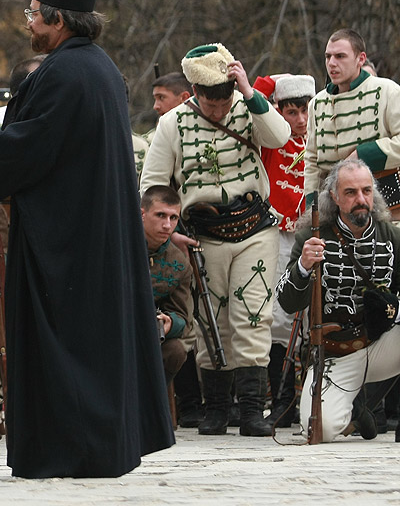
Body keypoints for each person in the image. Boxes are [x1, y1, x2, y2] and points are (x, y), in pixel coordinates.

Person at [0, 0, 173, 478]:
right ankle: (100, 448)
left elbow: (28, 149)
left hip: (67, 242)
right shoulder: (100, 67)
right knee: (94, 347)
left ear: (58, 18)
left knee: (66, 347)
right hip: (94, 234)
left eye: (33, 13)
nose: (28, 23)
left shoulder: (63, 73)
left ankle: (67, 451)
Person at [141, 42, 291, 437]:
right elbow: (154, 184)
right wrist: (171, 230)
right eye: (211, 103)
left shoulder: (246, 106)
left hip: (254, 227)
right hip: (202, 233)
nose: (219, 109)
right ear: (195, 92)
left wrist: (250, 92)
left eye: (224, 99)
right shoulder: (172, 124)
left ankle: (254, 409)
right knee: (213, 321)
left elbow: (279, 137)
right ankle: (218, 409)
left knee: (253, 315)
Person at [276, 159, 400, 440]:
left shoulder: (391, 237)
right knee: (319, 430)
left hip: (381, 345)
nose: (360, 200)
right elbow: (286, 302)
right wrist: (303, 268)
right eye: (350, 192)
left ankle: (366, 402)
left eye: (366, 191)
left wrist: (393, 309)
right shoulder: (311, 236)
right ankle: (356, 413)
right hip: (336, 352)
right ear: (334, 197)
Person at [259, 74, 315, 427]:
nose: (299, 120)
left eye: (305, 111)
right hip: (277, 234)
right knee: (280, 316)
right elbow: (257, 95)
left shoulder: (320, 139)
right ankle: (281, 400)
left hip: (312, 234)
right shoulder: (271, 138)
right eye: (291, 112)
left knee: (311, 319)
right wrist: (279, 82)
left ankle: (310, 395)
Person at [304, 29, 400, 196]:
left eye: (340, 56)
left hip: (383, 201)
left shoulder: (388, 90)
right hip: (332, 203)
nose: (332, 63)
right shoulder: (317, 104)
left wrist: (362, 155)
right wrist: (312, 206)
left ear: (360, 59)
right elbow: (312, 161)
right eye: (328, 56)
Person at [140, 186, 193, 384]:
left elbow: (182, 318)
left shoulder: (179, 263)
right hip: (109, 330)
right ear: (142, 214)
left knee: (176, 351)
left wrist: (169, 323)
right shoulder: (118, 243)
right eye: (160, 215)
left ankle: (150, 406)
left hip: (150, 337)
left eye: (173, 218)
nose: (167, 225)